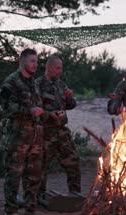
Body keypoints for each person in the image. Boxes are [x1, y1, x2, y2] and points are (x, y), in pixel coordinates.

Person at [0, 48, 46, 215]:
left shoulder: (33, 83)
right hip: (18, 135)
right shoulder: (11, 82)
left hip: (34, 136)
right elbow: (6, 107)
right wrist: (29, 111)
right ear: (22, 61)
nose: (36, 64)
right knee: (14, 172)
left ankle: (30, 208)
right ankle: (11, 211)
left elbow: (38, 106)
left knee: (34, 173)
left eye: (37, 61)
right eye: (32, 61)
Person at [36, 55, 81, 195]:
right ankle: (38, 196)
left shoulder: (61, 84)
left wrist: (69, 97)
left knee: (73, 160)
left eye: (61, 68)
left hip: (61, 130)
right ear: (48, 67)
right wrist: (50, 114)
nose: (60, 71)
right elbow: (34, 108)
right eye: (57, 68)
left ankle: (75, 195)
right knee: (41, 165)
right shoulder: (37, 85)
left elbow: (71, 105)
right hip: (45, 131)